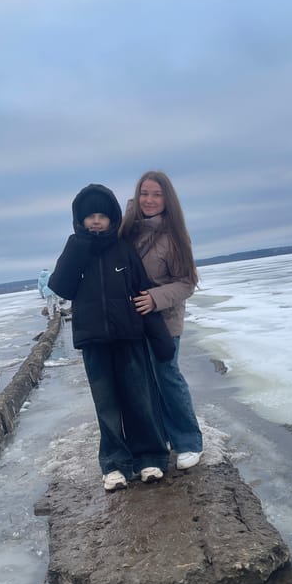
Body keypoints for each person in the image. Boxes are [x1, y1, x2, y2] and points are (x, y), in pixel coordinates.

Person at [48, 183, 172, 492]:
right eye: (90, 216)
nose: (96, 221)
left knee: (139, 399)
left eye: (102, 215)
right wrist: (79, 246)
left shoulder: (122, 248)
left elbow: (141, 290)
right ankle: (115, 465)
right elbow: (61, 287)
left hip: (129, 337)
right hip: (94, 341)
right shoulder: (76, 248)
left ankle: (150, 457)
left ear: (112, 218)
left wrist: (160, 338)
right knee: (107, 405)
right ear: (81, 220)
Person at [120, 170, 203, 470]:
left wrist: (155, 299)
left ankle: (189, 442)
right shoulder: (127, 230)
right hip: (132, 321)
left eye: (157, 194)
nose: (150, 200)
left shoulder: (175, 235)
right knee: (144, 381)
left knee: (167, 377)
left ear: (167, 198)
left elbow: (186, 283)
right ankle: (161, 438)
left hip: (164, 321)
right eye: (144, 193)